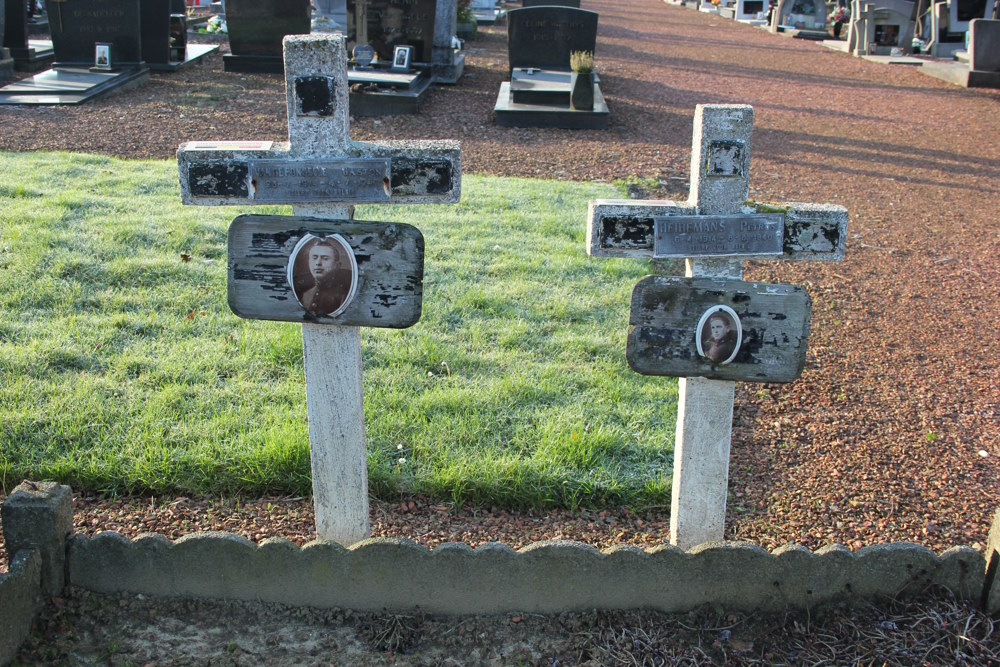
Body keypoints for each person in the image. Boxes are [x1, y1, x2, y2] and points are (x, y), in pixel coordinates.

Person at [297, 238, 353, 316]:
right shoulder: (306, 295)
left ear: (337, 265)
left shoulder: (345, 295)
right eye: (314, 258)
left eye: (325, 258)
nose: (318, 263)